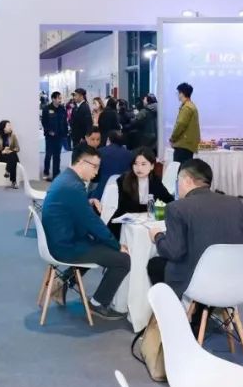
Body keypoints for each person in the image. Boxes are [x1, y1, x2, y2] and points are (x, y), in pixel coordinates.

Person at [40, 145, 130, 320]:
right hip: (64, 246)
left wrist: (86, 202)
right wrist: (117, 245)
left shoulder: (66, 179)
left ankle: (63, 282)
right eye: (95, 167)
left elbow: (74, 208)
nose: (96, 172)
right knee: (123, 260)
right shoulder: (74, 186)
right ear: (82, 162)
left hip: (58, 239)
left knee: (97, 244)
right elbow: (92, 223)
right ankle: (97, 303)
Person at [147, 159, 243, 298]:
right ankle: (203, 308)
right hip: (235, 277)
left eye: (178, 181)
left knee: (154, 265)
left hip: (197, 282)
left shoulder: (177, 208)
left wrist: (157, 236)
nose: (178, 185)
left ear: (187, 180)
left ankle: (179, 308)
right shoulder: (235, 203)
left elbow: (173, 252)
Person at [109, 148, 174, 239]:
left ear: (152, 166)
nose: (139, 168)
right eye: (135, 164)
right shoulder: (123, 180)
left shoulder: (155, 180)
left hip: (147, 223)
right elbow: (126, 206)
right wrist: (151, 208)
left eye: (143, 164)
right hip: (124, 224)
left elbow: (168, 200)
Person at [90, 131, 134, 200]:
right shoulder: (130, 154)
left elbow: (94, 177)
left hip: (102, 192)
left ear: (108, 139)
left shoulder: (100, 152)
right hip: (124, 193)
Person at [169, 82, 200, 165]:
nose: (178, 95)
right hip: (187, 145)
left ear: (182, 93)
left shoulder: (187, 107)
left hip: (183, 145)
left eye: (178, 93)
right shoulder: (191, 106)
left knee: (180, 169)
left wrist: (172, 138)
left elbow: (180, 124)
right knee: (185, 168)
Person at [41, 91, 68, 180]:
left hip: (59, 136)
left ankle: (56, 174)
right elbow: (44, 122)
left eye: (60, 98)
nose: (60, 100)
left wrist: (65, 133)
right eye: (59, 98)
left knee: (57, 156)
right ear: (53, 99)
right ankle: (46, 172)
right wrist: (49, 131)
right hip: (50, 136)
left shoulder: (62, 109)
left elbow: (64, 122)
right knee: (48, 155)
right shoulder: (46, 109)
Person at [0, 120, 21, 188]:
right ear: (3, 127)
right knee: (14, 158)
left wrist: (10, 150)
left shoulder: (13, 136)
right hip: (0, 156)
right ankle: (13, 182)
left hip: (10, 155)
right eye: (8, 125)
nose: (10, 127)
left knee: (12, 156)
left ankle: (7, 171)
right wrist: (2, 151)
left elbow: (18, 148)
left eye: (10, 125)